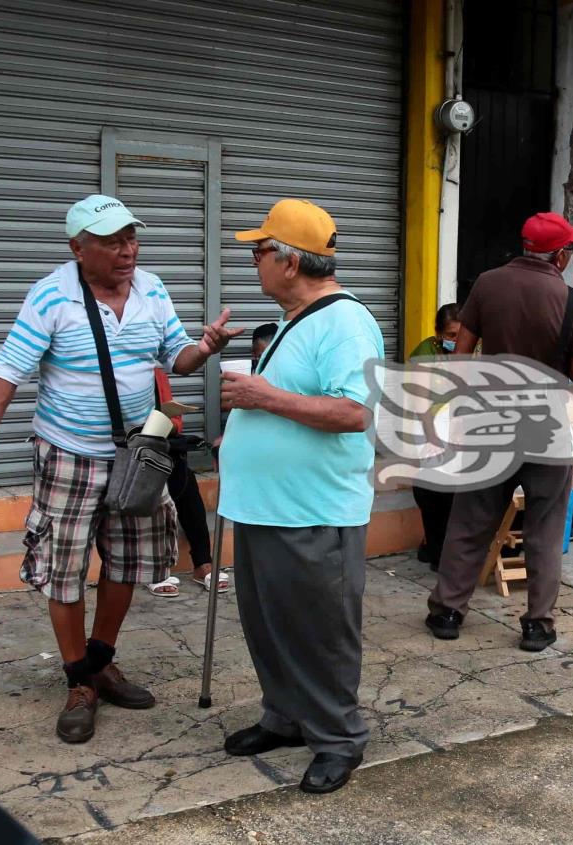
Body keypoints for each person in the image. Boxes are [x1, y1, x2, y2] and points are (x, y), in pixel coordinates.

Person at [0, 195, 237, 743]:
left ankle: (102, 659)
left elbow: (174, 356)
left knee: (129, 563)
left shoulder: (153, 289)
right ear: (78, 249)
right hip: (68, 453)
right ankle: (78, 681)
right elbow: (6, 373)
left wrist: (204, 347)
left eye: (131, 237)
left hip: (138, 453)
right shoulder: (51, 295)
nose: (127, 250)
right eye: (112, 241)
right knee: (64, 568)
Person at [218, 199, 383, 795]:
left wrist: (264, 399)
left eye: (259, 250)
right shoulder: (296, 320)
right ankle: (285, 717)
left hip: (313, 512)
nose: (253, 261)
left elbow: (353, 411)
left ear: (289, 262)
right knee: (270, 624)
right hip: (266, 507)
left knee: (320, 632)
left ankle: (338, 739)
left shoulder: (345, 322)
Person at [425, 211, 573, 652]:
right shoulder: (572, 301)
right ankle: (537, 623)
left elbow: (461, 355)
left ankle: (447, 611)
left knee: (469, 521)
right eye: (569, 249)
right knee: (543, 527)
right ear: (559, 256)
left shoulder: (486, 283)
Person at [146, 369, 224, 597]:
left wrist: (169, 423)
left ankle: (203, 564)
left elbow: (171, 413)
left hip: (160, 440)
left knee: (186, 483)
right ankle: (156, 568)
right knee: (151, 488)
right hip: (128, 446)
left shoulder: (155, 370)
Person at [409, 304, 461, 569]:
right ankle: (436, 549)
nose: (456, 341)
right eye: (451, 335)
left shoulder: (472, 350)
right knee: (431, 491)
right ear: (438, 333)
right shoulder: (425, 354)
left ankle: (437, 547)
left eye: (459, 335)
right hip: (429, 429)